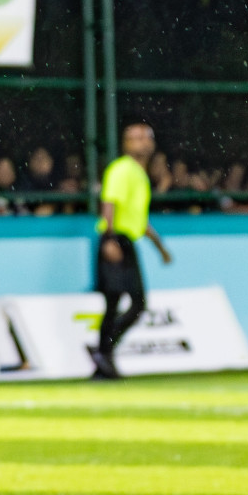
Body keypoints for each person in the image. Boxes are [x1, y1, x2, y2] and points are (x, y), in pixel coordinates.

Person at [91, 121, 173, 378]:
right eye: (136, 138)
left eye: (146, 137)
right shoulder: (122, 169)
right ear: (126, 144)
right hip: (115, 240)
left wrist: (160, 247)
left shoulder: (139, 174)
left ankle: (103, 357)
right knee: (129, 302)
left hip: (126, 240)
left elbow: (140, 219)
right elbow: (109, 204)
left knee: (124, 303)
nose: (142, 142)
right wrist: (109, 239)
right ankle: (103, 352)